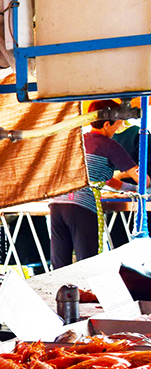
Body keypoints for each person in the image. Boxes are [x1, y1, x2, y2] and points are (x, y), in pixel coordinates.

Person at [48, 100, 141, 269]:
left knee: (59, 265)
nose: (119, 127)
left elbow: (105, 179)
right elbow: (140, 177)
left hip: (57, 204)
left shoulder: (78, 141)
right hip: (82, 205)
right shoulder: (108, 145)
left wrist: (130, 189)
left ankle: (61, 294)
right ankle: (86, 295)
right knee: (88, 263)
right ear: (107, 124)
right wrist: (143, 186)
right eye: (118, 123)